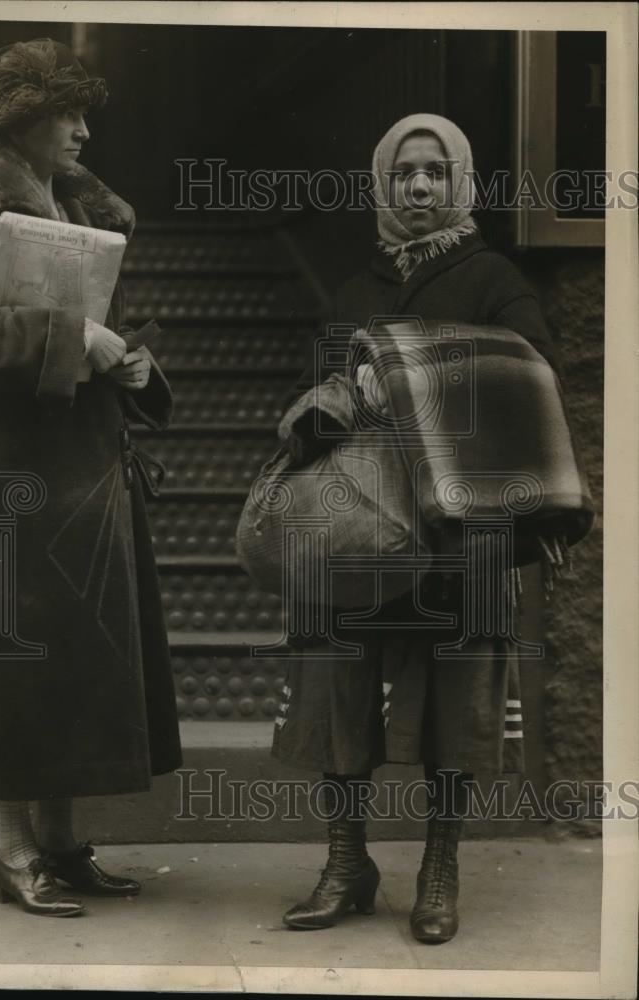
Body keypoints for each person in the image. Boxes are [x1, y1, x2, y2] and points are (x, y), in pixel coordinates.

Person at [273, 113, 562, 942]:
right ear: (384, 184)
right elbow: (313, 399)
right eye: (406, 174)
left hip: (460, 531)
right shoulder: (353, 291)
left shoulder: (493, 281)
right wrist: (337, 399)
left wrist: (416, 377)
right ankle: (346, 861)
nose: (422, 187)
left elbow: (532, 378)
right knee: (342, 686)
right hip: (362, 526)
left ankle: (440, 867)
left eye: (437, 171)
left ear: (460, 180)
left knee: (455, 701)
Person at [0, 38, 182, 917]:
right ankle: (11, 852)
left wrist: (136, 365)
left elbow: (129, 325)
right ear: (28, 121)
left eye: (82, 115)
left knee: (78, 661)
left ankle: (64, 845)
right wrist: (76, 339)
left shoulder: (86, 212)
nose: (82, 131)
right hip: (17, 479)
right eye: (67, 116)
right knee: (21, 661)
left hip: (90, 475)